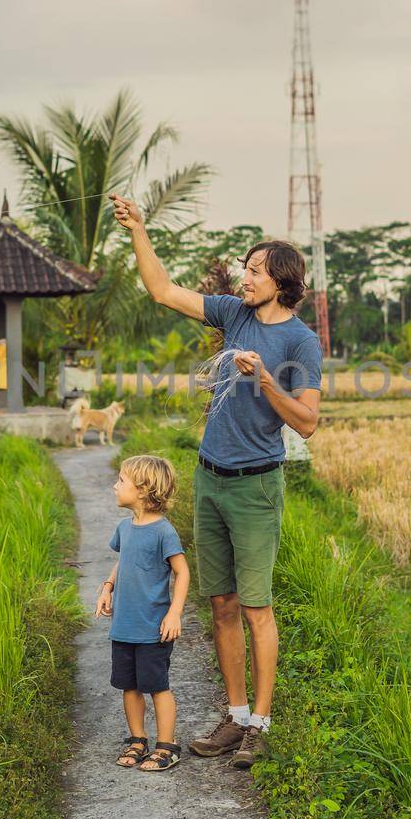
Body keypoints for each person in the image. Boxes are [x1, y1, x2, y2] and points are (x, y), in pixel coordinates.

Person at [110, 193, 322, 771]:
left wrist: (266, 382)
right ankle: (233, 716)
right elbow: (163, 291)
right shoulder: (233, 314)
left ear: (280, 281)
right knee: (222, 603)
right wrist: (139, 230)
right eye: (245, 269)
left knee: (256, 607)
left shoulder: (300, 342)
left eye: (254, 270)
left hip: (256, 486)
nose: (244, 276)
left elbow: (308, 421)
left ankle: (261, 723)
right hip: (210, 480)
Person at [94, 454, 191, 772]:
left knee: (157, 685)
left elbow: (183, 572)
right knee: (129, 685)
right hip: (124, 624)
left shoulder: (164, 532)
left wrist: (174, 613)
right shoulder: (126, 528)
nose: (115, 485)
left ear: (143, 490)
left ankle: (167, 745)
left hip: (152, 627)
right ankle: (138, 739)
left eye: (121, 480)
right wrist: (108, 586)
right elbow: (125, 561)